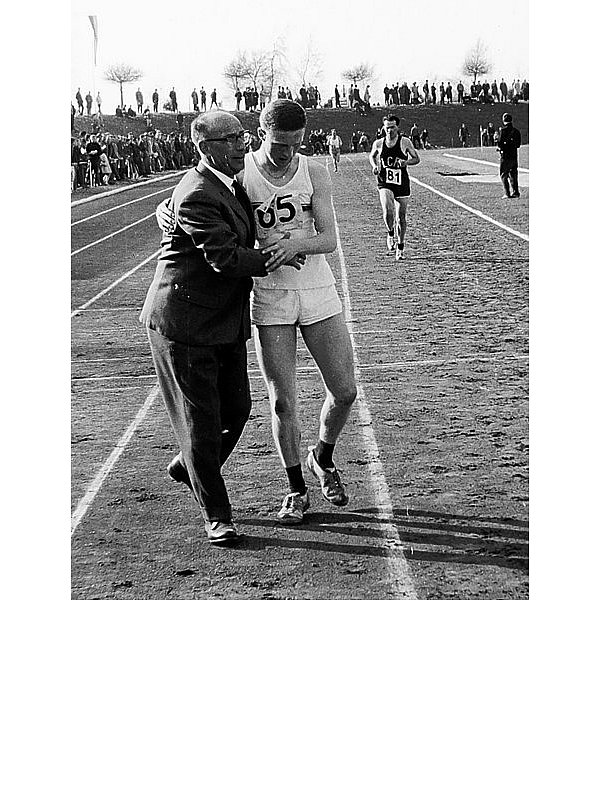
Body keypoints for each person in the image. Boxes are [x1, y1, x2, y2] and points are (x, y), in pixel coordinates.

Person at [156, 100, 357, 523]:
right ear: (261, 134)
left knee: (345, 391)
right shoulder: (240, 170)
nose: (288, 152)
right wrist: (165, 210)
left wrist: (293, 245)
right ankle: (296, 488)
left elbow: (329, 239)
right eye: (280, 143)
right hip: (269, 296)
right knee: (282, 402)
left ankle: (322, 456)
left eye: (296, 143)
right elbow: (194, 190)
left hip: (317, 289)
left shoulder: (313, 171)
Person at [140, 111, 305, 544]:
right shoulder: (197, 192)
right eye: (230, 139)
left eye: (241, 136)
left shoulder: (229, 182)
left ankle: (190, 465)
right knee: (202, 422)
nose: (240, 145)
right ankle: (217, 514)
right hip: (185, 323)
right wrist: (280, 255)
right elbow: (225, 258)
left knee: (237, 409)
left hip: (222, 320)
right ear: (204, 148)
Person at [368, 114, 420, 260]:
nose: (389, 130)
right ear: (383, 128)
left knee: (401, 217)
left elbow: (417, 158)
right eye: (387, 127)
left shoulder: (405, 142)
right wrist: (374, 166)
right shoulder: (379, 143)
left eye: (392, 127)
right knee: (388, 210)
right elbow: (372, 156)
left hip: (401, 182)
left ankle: (400, 246)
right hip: (384, 180)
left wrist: (405, 163)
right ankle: (390, 232)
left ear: (397, 127)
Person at [497, 112, 521, 198]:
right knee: (513, 174)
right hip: (514, 155)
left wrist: (502, 148)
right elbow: (518, 145)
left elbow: (499, 143)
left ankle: (507, 193)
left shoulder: (503, 131)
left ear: (504, 121)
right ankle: (516, 192)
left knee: (503, 174)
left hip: (505, 156)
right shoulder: (516, 131)